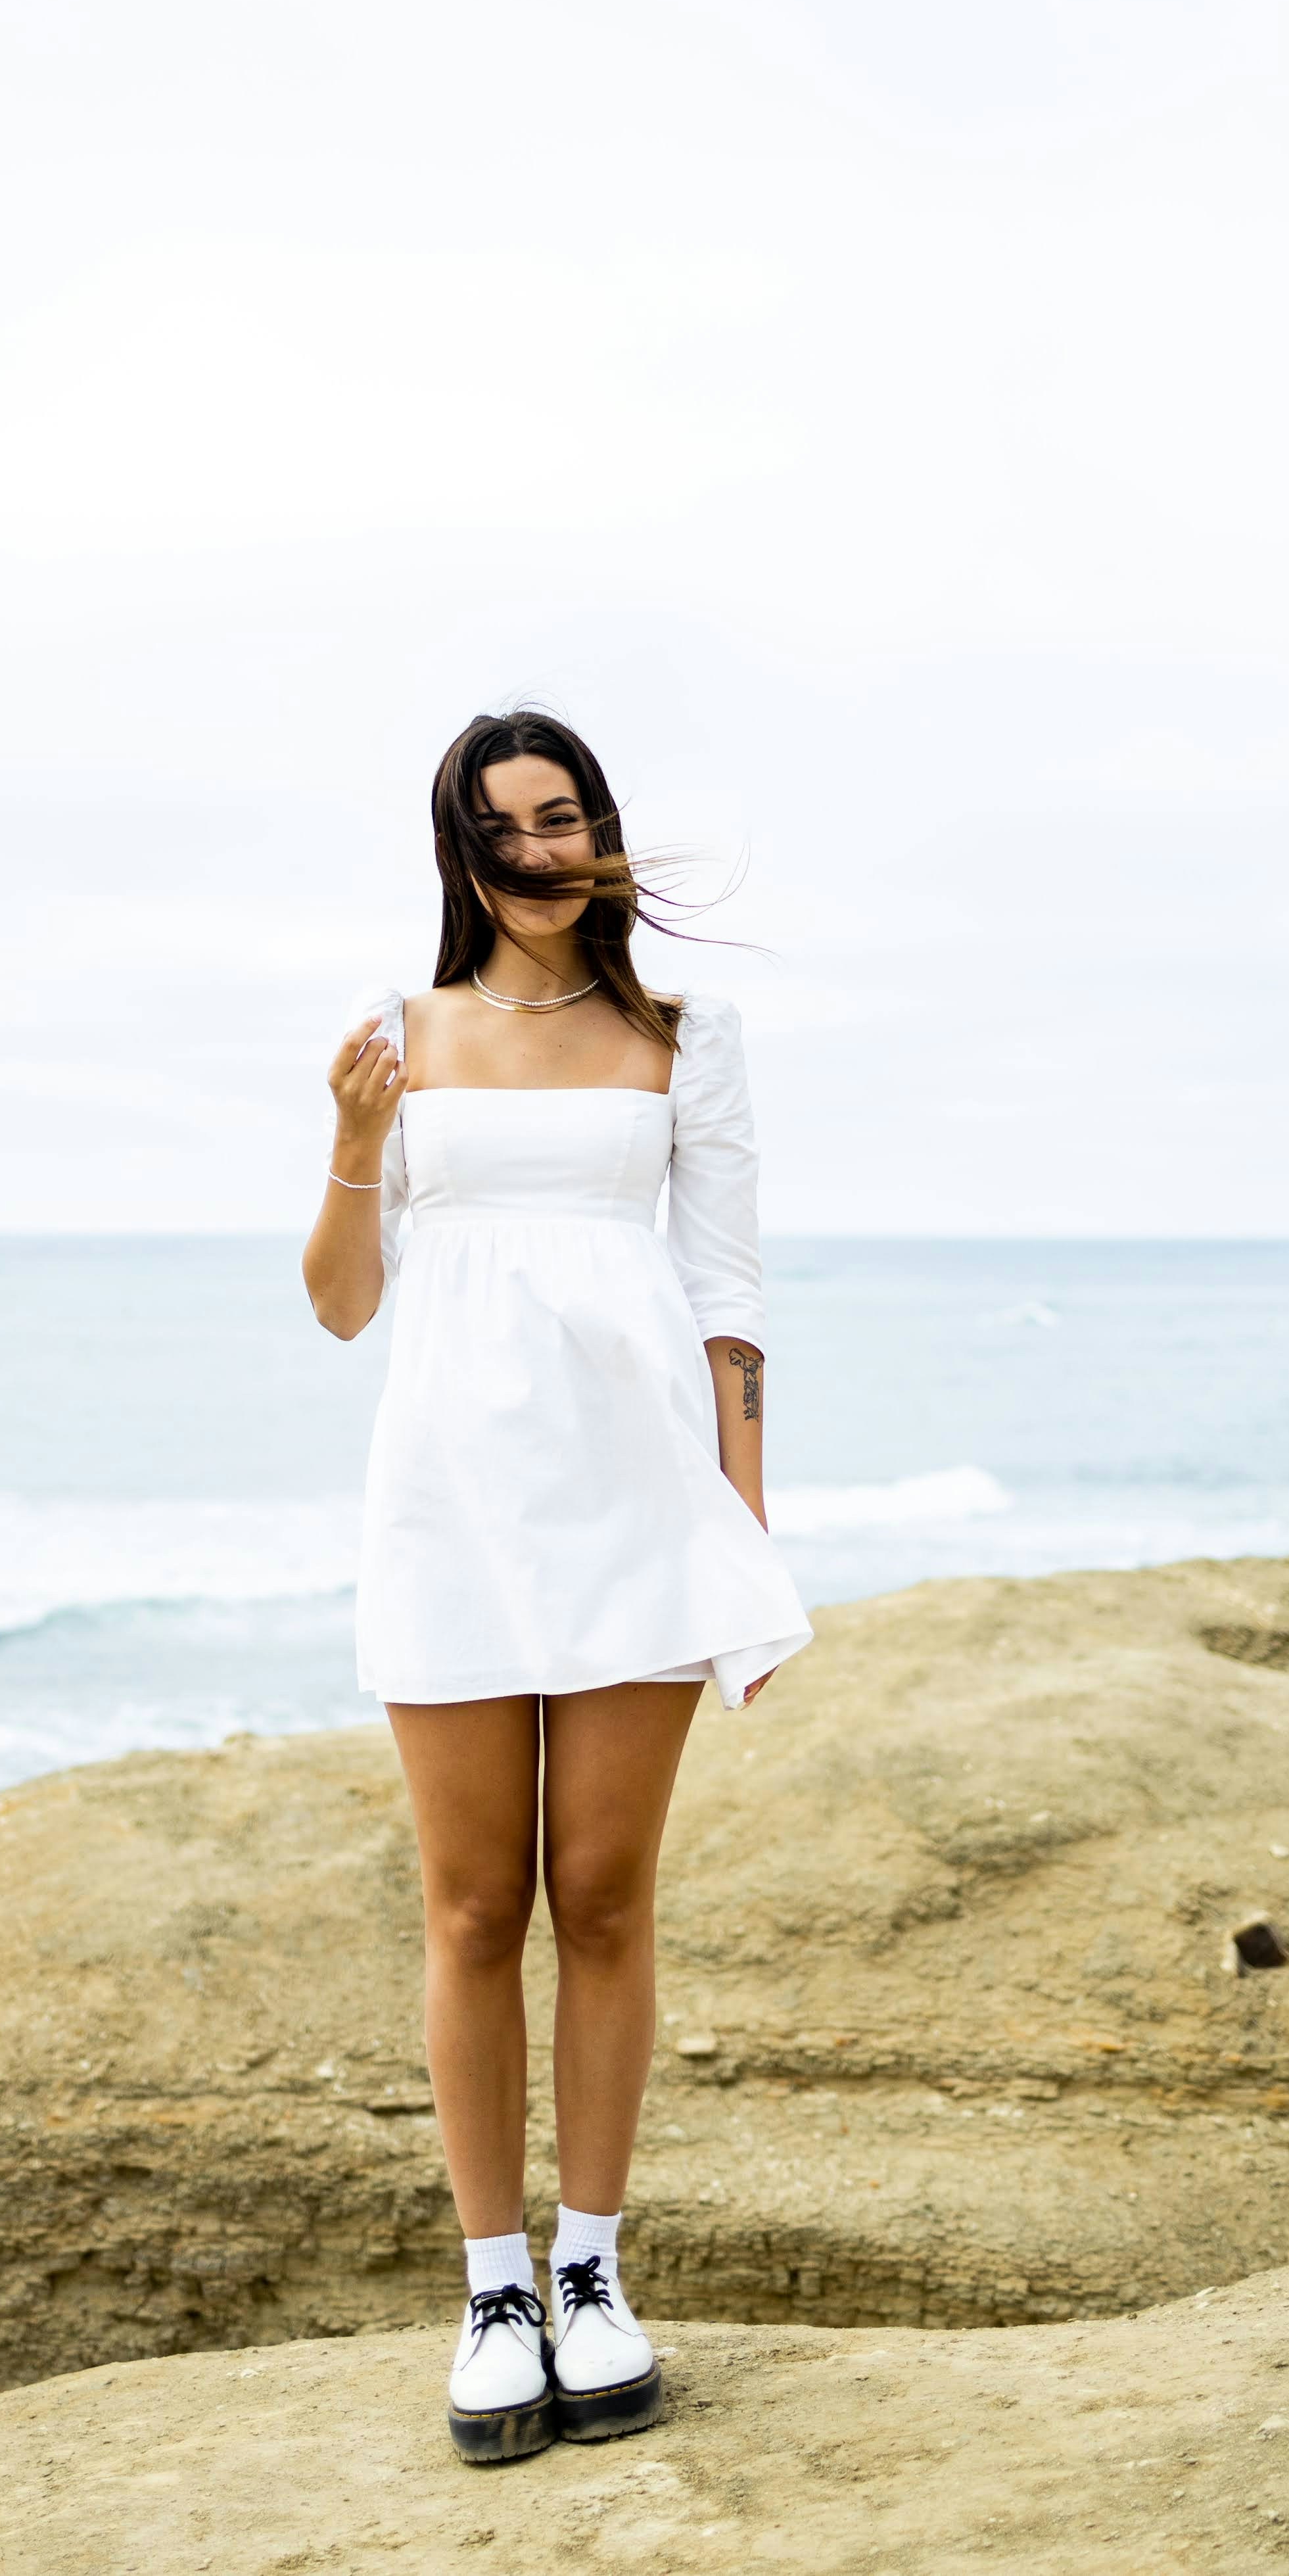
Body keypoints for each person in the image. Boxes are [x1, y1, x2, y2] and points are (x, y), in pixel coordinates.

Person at [301, 709, 811, 2464]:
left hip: (634, 1503)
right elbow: (341, 1301)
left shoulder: (689, 1032)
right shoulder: (399, 1032)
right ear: (458, 853)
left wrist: (741, 1540)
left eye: (561, 813)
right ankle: (494, 2289)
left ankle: (594, 2271)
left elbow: (727, 1301)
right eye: (497, 825)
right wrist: (354, 1137)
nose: (534, 850)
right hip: (447, 1503)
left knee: (599, 1893)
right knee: (468, 1907)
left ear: (598, 829)